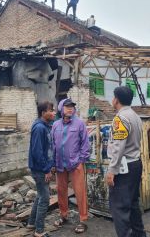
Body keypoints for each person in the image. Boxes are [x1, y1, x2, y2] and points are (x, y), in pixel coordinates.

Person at [105, 86, 146, 237]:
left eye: (113, 97)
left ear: (116, 100)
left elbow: (118, 146)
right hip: (135, 164)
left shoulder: (121, 118)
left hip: (124, 168)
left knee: (120, 209)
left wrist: (111, 171)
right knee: (133, 205)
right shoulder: (135, 115)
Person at [51, 98, 90, 234]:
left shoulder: (79, 124)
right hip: (60, 164)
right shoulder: (55, 125)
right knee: (61, 191)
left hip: (75, 164)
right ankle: (64, 215)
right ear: (61, 108)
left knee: (80, 191)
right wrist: (53, 163)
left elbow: (85, 144)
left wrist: (81, 160)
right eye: (67, 107)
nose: (70, 109)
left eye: (72, 107)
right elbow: (53, 145)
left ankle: (83, 219)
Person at [27, 101, 56, 237]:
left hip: (42, 168)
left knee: (40, 196)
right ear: (43, 113)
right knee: (45, 198)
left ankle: (31, 223)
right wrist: (46, 169)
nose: (54, 112)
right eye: (51, 110)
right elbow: (37, 152)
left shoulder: (45, 126)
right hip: (40, 169)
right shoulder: (39, 128)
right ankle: (39, 231)